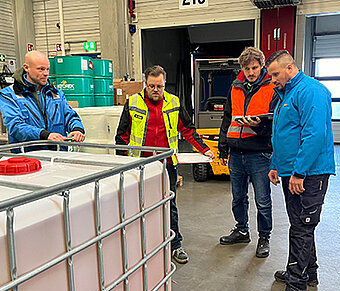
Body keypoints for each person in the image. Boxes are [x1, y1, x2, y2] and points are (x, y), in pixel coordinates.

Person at [115, 65, 215, 264]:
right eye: (151, 86)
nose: (155, 90)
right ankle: (142, 246)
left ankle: (175, 244)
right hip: (139, 165)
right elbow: (122, 136)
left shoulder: (174, 102)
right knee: (138, 206)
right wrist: (122, 165)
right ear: (145, 84)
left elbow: (187, 130)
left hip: (166, 164)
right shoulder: (133, 102)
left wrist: (204, 149)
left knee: (169, 204)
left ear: (164, 84)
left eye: (159, 86)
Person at [265, 50, 335, 291]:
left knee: (302, 228)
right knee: (301, 224)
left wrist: (299, 173)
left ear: (290, 68)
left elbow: (314, 134)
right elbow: (284, 133)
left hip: (310, 174)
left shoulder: (311, 91)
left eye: (275, 74)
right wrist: (276, 165)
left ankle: (296, 288)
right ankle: (310, 272)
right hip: (291, 170)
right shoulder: (287, 93)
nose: (272, 80)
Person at [217, 47, 278, 258]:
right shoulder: (235, 87)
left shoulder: (272, 87)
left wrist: (258, 127)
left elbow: (275, 123)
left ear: (262, 66)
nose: (251, 72)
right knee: (238, 198)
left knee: (263, 199)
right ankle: (242, 230)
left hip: (259, 153)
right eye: (246, 68)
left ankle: (264, 237)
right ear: (241, 68)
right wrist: (222, 146)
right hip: (236, 152)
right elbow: (227, 117)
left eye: (254, 67)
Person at [0, 51, 85, 149]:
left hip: (58, 154)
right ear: (26, 68)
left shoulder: (56, 94)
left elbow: (69, 116)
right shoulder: (9, 95)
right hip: (28, 157)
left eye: (47, 69)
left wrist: (77, 129)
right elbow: (15, 126)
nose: (46, 73)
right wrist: (44, 135)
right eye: (41, 69)